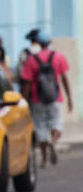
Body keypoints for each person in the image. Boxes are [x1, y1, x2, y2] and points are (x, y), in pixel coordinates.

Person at [19, 30, 74, 167]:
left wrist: (24, 101)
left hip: (38, 100)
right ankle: (53, 141)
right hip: (55, 98)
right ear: (49, 43)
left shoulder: (32, 59)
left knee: (40, 127)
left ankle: (44, 158)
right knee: (56, 123)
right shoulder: (58, 57)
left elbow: (27, 83)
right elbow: (64, 79)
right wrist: (69, 97)